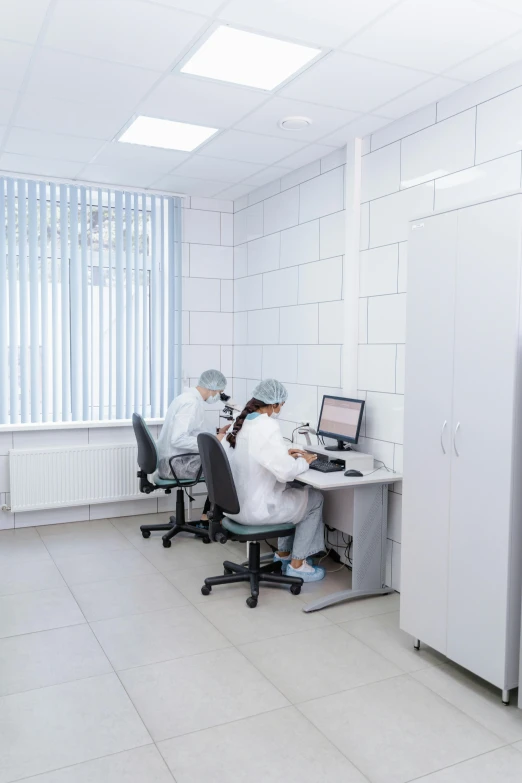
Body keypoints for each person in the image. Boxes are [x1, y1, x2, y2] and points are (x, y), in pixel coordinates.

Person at [225, 378, 326, 582]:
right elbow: (286, 473)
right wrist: (304, 461)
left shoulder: (242, 421)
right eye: (282, 404)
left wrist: (282, 452)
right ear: (273, 404)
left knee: (295, 491)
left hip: (233, 506)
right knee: (315, 498)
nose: (281, 408)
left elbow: (255, 454)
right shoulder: (267, 425)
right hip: (256, 510)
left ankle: (283, 555)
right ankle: (297, 565)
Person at [156, 368, 229, 481]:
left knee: (219, 463)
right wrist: (214, 440)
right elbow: (178, 439)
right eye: (220, 393)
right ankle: (215, 499)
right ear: (212, 388)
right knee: (226, 465)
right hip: (174, 466)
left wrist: (217, 431)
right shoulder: (190, 403)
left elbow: (194, 430)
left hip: (173, 461)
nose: (218, 397)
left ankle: (212, 499)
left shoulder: (188, 399)